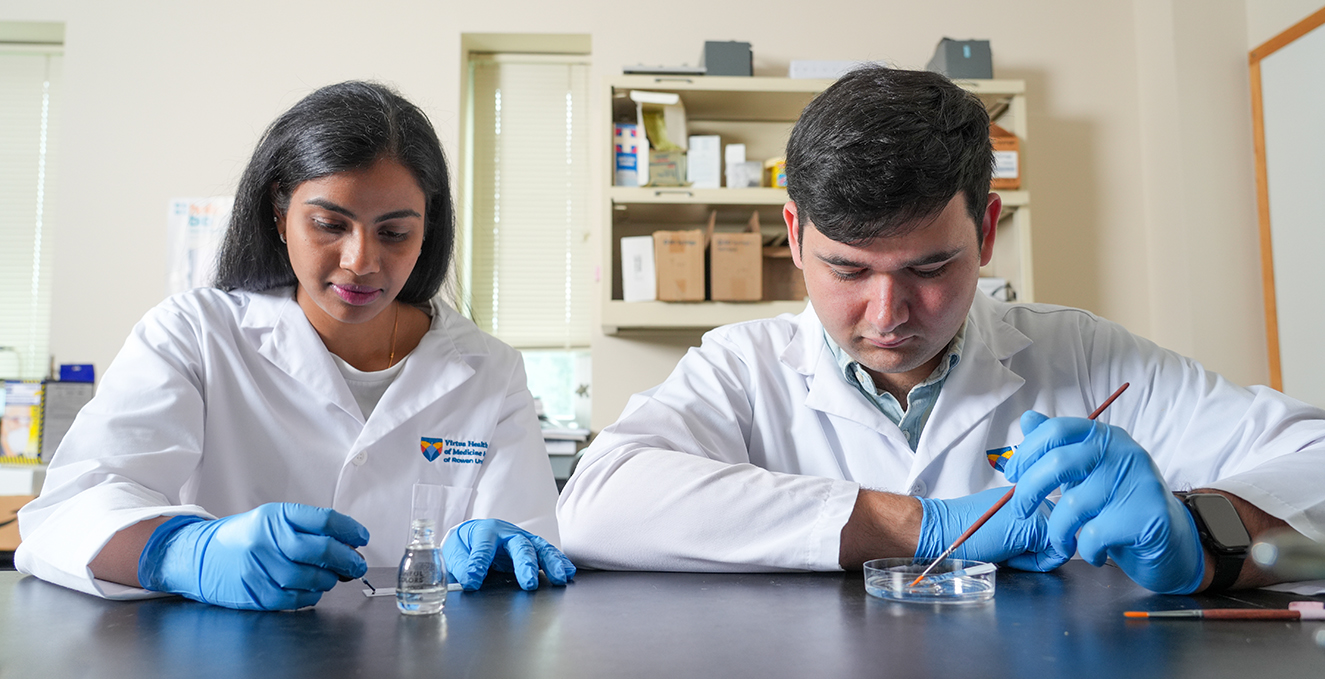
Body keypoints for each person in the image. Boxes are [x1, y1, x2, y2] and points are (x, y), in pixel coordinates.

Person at [557, 65, 1325, 594]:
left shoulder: (1084, 355)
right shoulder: (740, 367)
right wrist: (918, 525)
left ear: (986, 231)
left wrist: (1200, 538)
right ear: (793, 236)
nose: (887, 315)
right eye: (848, 270)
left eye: (929, 268)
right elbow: (597, 501)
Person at [17, 81, 575, 611]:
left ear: (428, 229)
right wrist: (186, 553)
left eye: (394, 233)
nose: (361, 261)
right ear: (280, 215)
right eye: (330, 224)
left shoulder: (490, 371)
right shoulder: (195, 334)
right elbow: (69, 513)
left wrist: (500, 552)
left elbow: (528, 548)